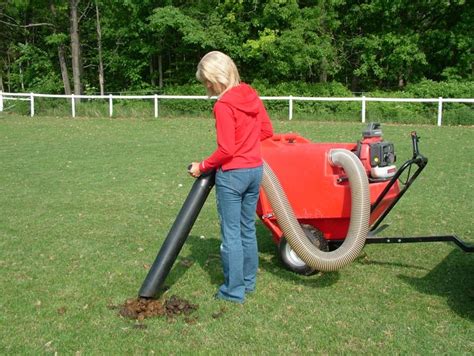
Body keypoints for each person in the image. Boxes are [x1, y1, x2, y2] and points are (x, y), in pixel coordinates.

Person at [189, 51, 273, 303]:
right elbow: (267, 131)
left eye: (207, 81)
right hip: (254, 171)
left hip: (233, 176)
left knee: (232, 233)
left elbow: (226, 150)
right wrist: (247, 145)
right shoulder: (251, 95)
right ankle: (248, 283)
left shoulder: (224, 105)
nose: (207, 87)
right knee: (247, 228)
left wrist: (202, 166)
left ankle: (233, 291)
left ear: (217, 77)